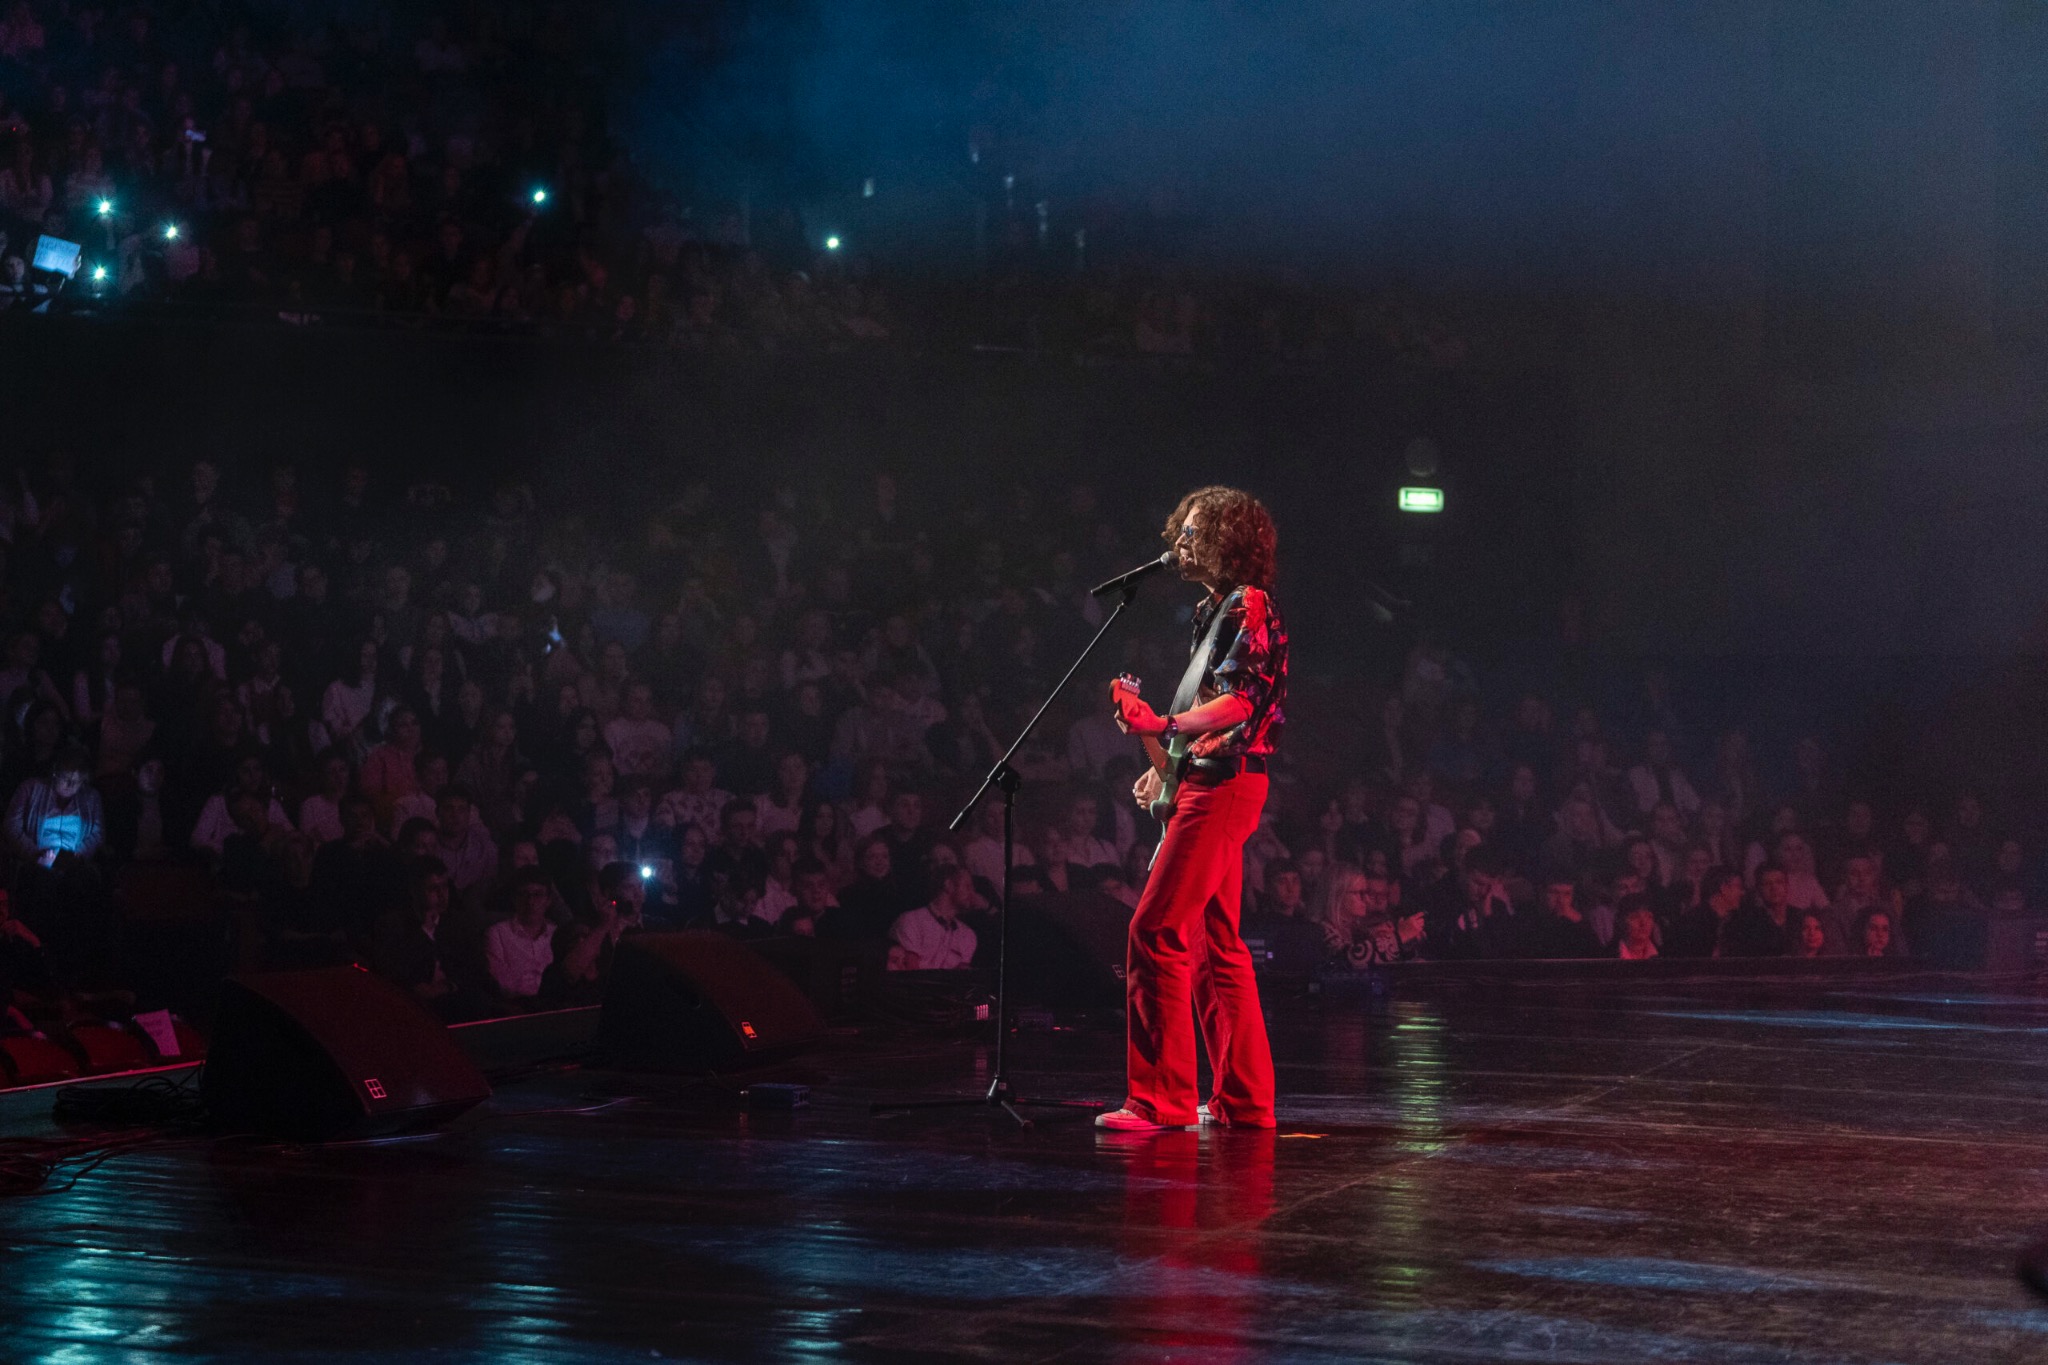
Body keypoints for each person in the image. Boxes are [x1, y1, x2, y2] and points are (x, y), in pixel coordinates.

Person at [1100, 486, 1286, 1132]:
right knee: (1216, 944)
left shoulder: (1249, 604)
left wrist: (1165, 719)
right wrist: (1161, 761)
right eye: (1180, 530)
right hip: (1209, 778)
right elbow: (1204, 721)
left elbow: (1240, 704)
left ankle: (1159, 1099)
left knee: (1154, 930)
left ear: (1227, 542)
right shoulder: (1212, 610)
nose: (1178, 542)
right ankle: (1243, 1099)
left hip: (1226, 786)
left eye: (1194, 532)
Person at [888, 862, 983, 970]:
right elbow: (910, 972)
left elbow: (962, 979)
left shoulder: (967, 935)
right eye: (967, 886)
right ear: (949, 885)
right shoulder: (911, 921)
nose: (973, 893)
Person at [485, 867, 559, 1006]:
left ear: (548, 900)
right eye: (524, 894)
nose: (530, 902)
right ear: (514, 899)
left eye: (537, 895)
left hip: (554, 1005)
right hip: (515, 1007)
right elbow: (499, 981)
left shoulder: (557, 934)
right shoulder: (497, 933)